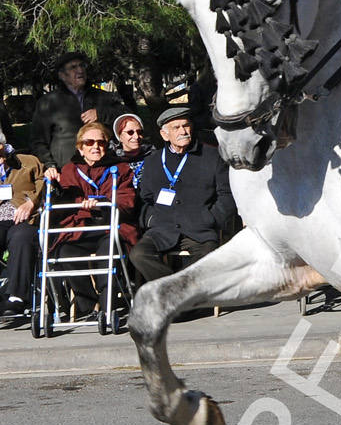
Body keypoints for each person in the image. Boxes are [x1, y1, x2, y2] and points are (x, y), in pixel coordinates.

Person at [130, 107, 236, 284]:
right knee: (139, 254)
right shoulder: (153, 161)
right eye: (176, 128)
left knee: (207, 257)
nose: (183, 131)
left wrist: (210, 219)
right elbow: (145, 198)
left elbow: (227, 195)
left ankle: (172, 299)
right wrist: (151, 220)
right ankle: (180, 295)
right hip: (162, 229)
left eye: (185, 125)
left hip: (200, 230)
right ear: (165, 135)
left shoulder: (212, 156)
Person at [48, 122, 138, 320]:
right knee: (65, 251)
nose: (95, 146)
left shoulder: (120, 168)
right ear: (81, 148)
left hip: (112, 227)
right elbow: (62, 201)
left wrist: (102, 203)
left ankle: (107, 308)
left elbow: (127, 200)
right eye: (89, 142)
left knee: (109, 250)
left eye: (101, 142)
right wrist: (53, 184)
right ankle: (88, 306)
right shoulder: (70, 170)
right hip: (81, 226)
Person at [29, 51, 125, 171]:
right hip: (65, 172)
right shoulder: (48, 102)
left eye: (82, 65)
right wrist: (50, 165)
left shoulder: (103, 97)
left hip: (103, 169)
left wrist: (101, 114)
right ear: (62, 75)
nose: (80, 70)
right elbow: (38, 142)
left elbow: (128, 117)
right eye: (73, 67)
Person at [0, 142, 44, 325]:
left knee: (22, 238)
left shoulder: (27, 161)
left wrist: (31, 202)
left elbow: (44, 182)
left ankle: (16, 297)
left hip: (25, 218)